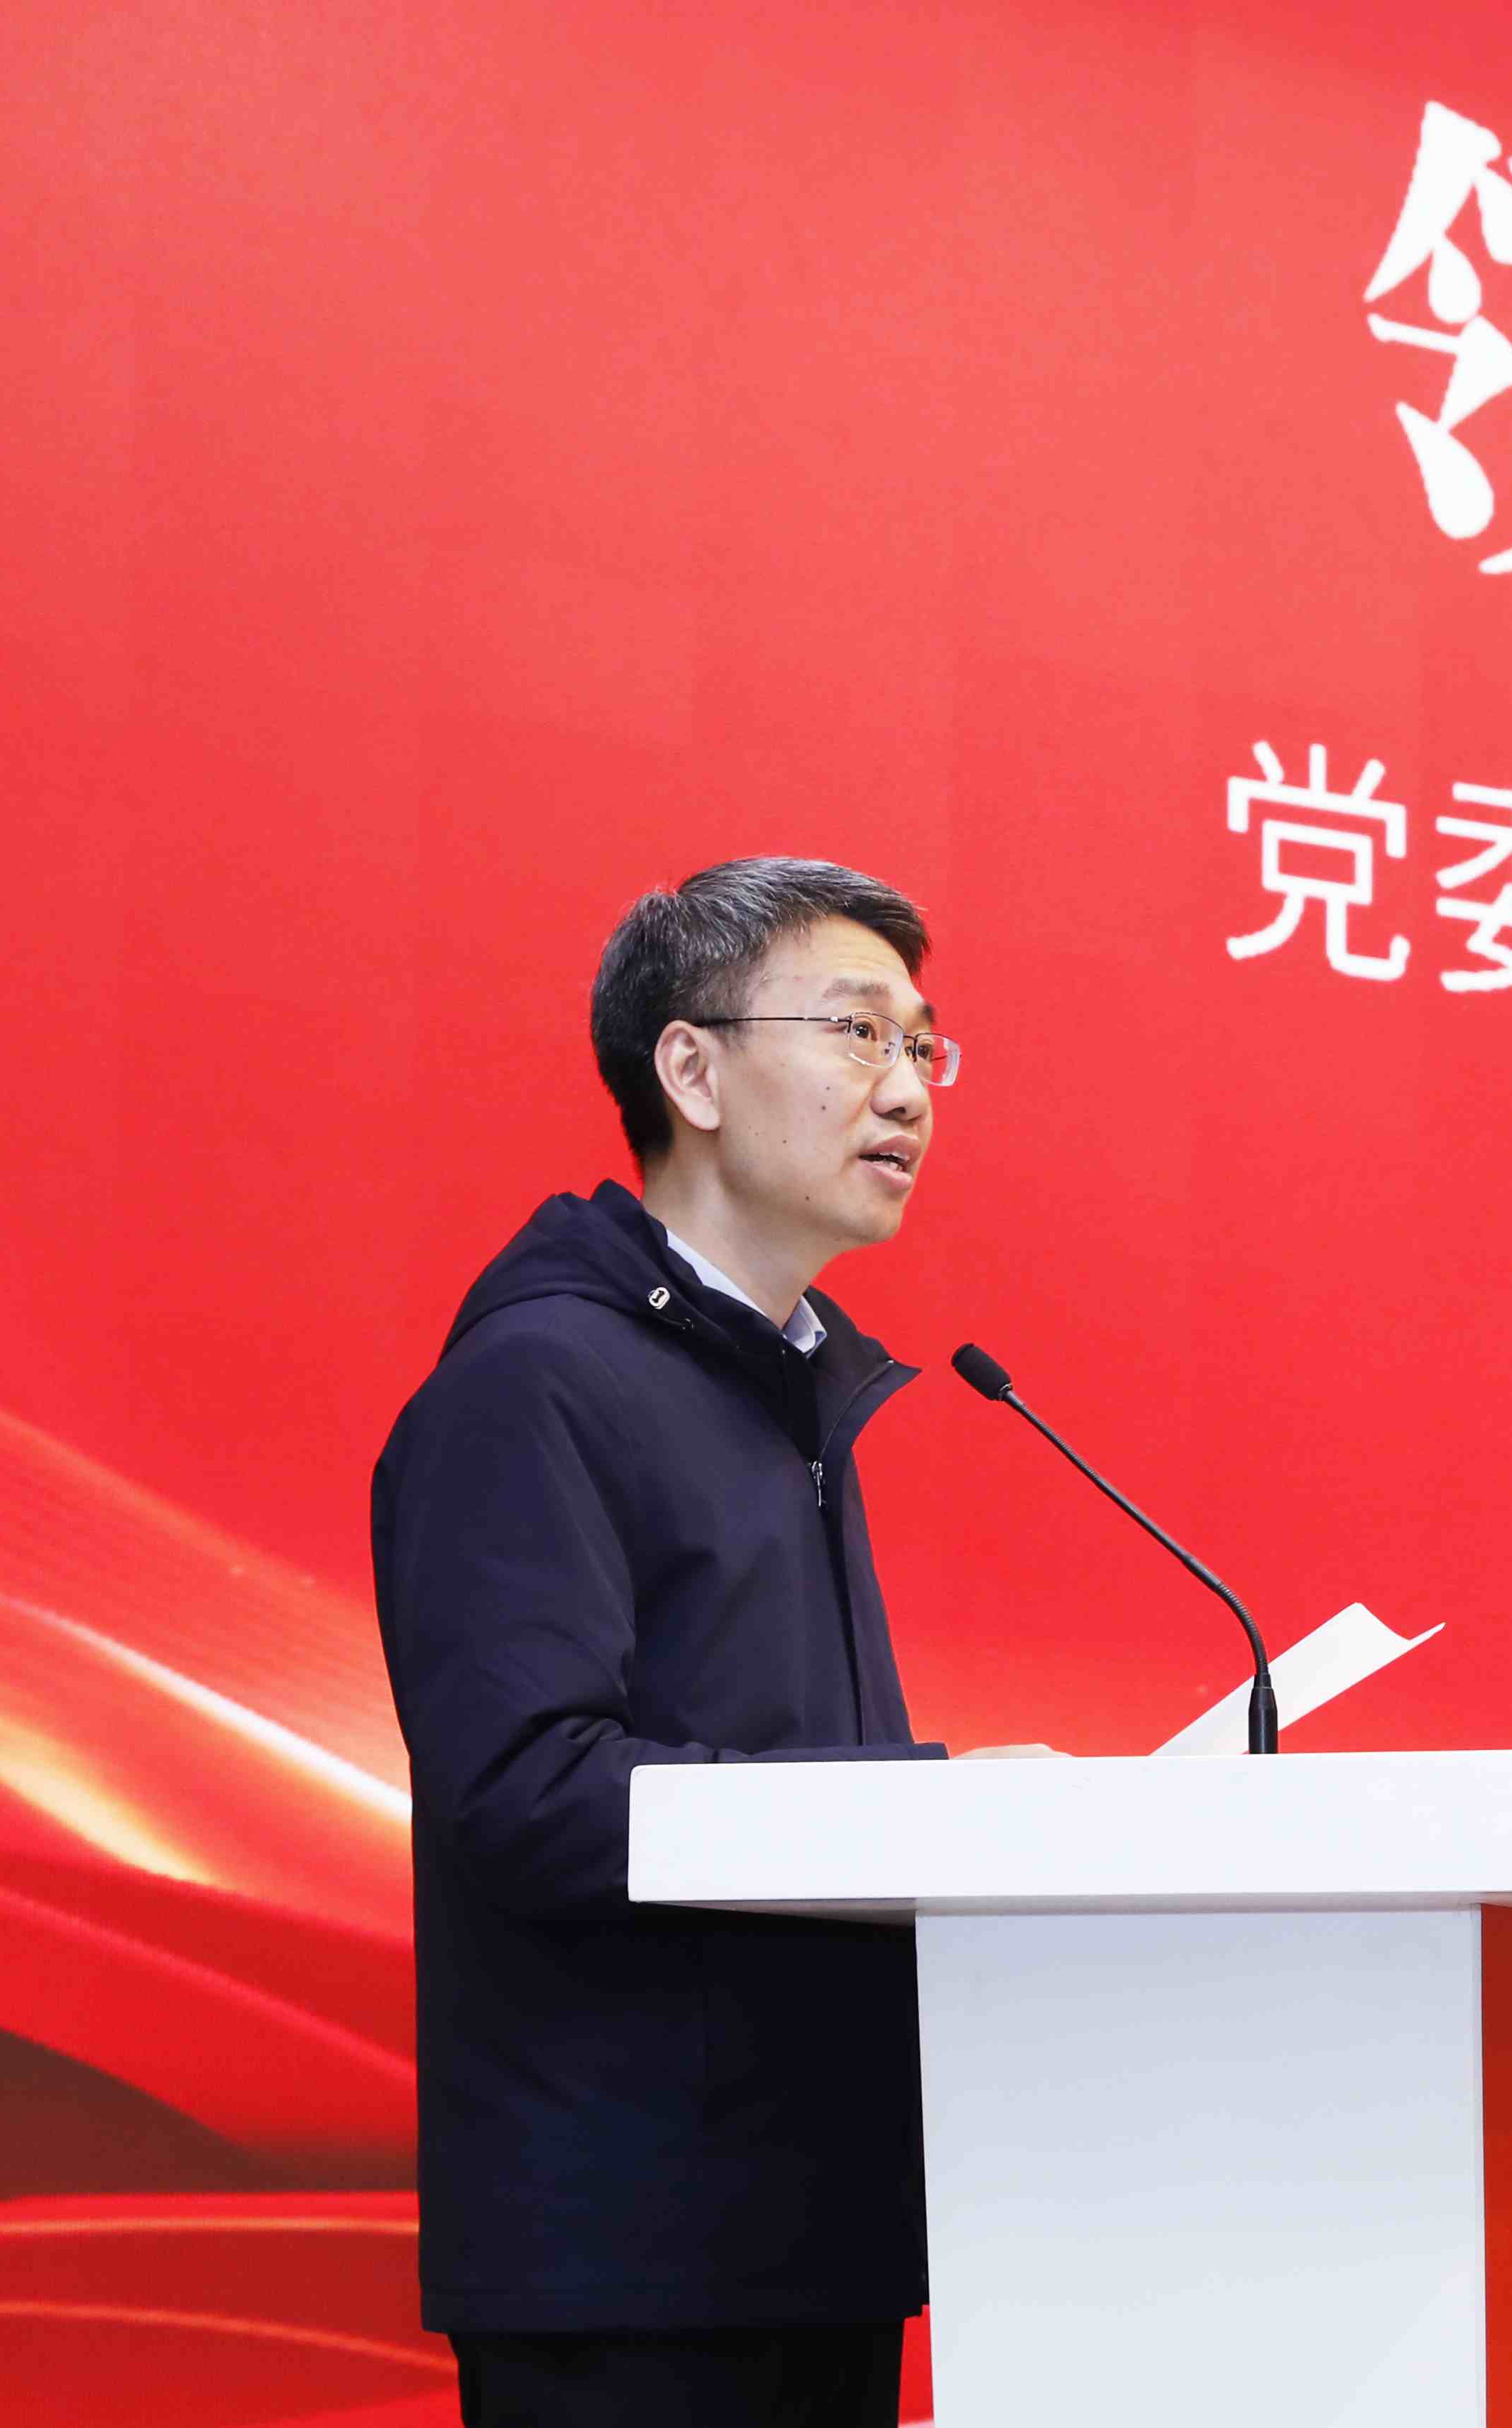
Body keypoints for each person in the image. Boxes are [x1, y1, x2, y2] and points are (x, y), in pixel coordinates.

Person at [371, 858, 955, 2427]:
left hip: (813, 2226)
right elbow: (526, 1792)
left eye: (921, 1045)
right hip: (628, 2260)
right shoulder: (537, 1383)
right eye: (856, 1032)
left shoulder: (786, 1392)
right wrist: (929, 1806)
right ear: (689, 1070)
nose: (906, 1088)